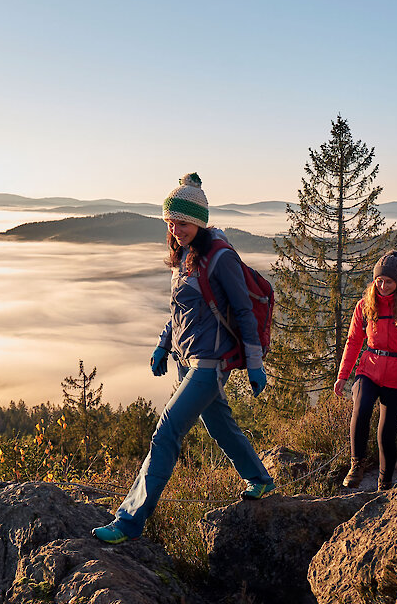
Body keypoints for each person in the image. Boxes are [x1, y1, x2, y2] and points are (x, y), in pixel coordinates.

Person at [93, 173, 275, 544]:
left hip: (209, 364)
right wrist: (163, 345)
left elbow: (242, 311)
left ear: (200, 222)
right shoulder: (185, 258)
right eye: (171, 222)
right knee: (220, 425)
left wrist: (255, 363)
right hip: (185, 358)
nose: (177, 229)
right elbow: (178, 312)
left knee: (165, 434)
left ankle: (128, 522)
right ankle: (260, 479)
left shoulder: (220, 257)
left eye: (185, 222)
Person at [334, 251, 397, 491]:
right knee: (361, 409)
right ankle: (357, 464)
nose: (383, 285)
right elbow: (354, 341)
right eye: (379, 280)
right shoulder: (364, 306)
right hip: (369, 369)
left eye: (389, 281)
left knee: (386, 433)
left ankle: (384, 483)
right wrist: (343, 376)